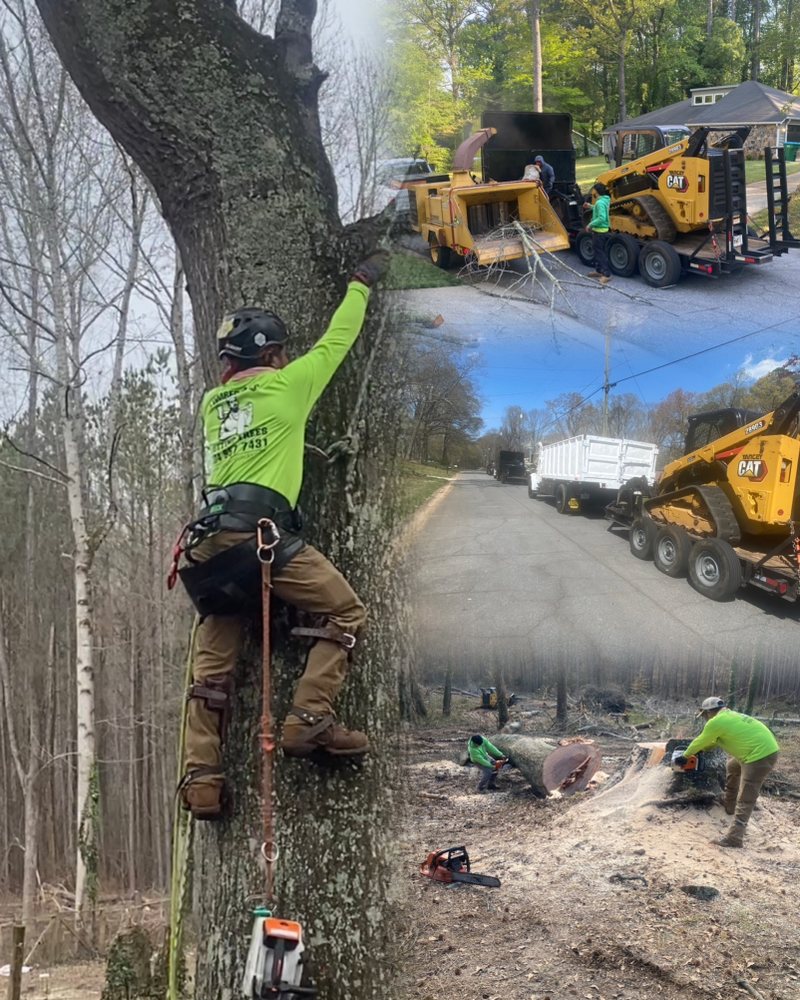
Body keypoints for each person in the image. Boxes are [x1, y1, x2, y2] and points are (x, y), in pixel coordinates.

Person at [174, 249, 390, 820]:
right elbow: (337, 340)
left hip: (211, 544)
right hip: (262, 539)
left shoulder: (212, 405)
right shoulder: (288, 386)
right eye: (281, 352)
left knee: (212, 671)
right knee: (346, 613)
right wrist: (361, 283)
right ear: (272, 355)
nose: (289, 357)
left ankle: (201, 780)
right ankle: (309, 721)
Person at [676, 697, 779, 848]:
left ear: (709, 712)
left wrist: (685, 756)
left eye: (705, 715)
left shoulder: (716, 722)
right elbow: (710, 743)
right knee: (732, 766)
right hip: (756, 750)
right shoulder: (729, 717)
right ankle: (729, 804)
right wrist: (700, 749)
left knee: (746, 797)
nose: (705, 718)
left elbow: (700, 740)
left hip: (760, 756)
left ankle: (735, 838)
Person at [583, 182, 611, 285]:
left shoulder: (600, 202)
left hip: (599, 232)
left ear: (596, 191)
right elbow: (599, 209)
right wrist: (590, 206)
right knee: (598, 252)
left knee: (600, 253)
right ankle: (599, 271)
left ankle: (606, 275)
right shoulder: (604, 200)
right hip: (602, 231)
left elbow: (601, 218)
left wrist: (590, 224)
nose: (592, 191)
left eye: (593, 189)